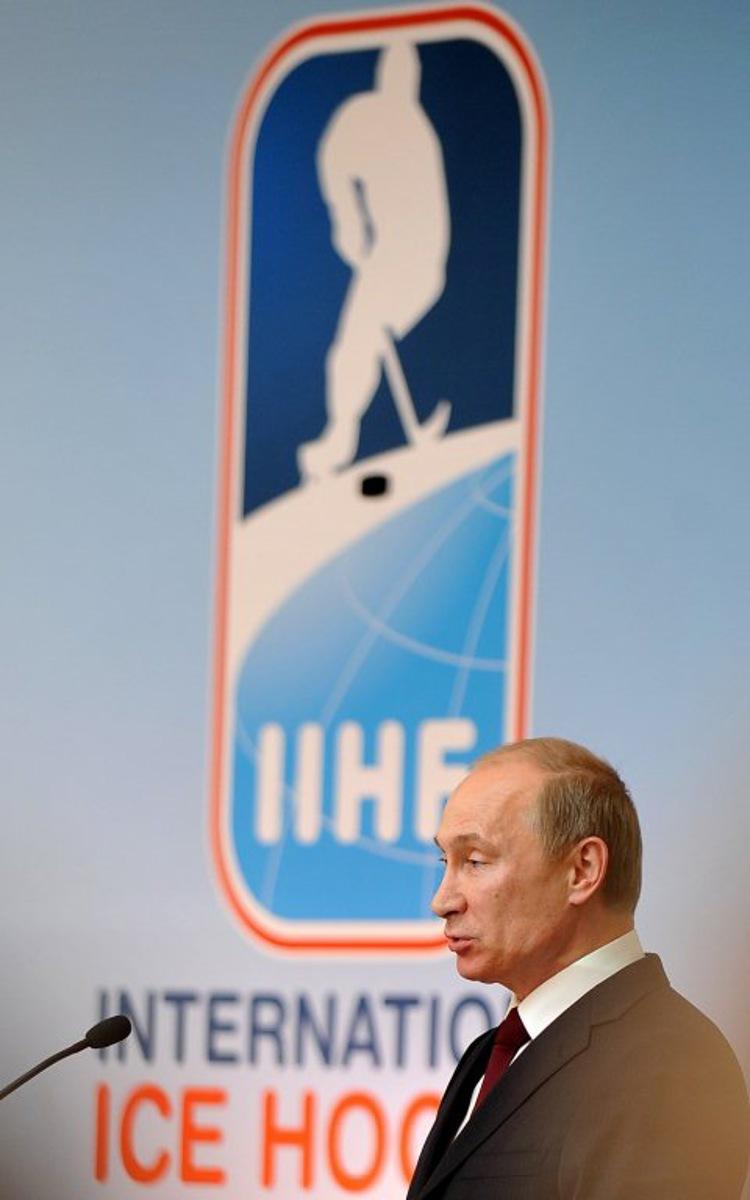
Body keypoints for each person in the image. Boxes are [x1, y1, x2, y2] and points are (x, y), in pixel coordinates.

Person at [408, 737, 749, 1199]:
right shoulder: (489, 1053)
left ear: (583, 870)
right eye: (444, 861)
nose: (441, 900)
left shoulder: (670, 1068)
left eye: (474, 861)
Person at [298, 40, 450, 481]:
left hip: (412, 262)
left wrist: (362, 232)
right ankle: (341, 439)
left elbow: (429, 223)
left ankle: (342, 440)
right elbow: (335, 160)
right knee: (357, 346)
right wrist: (349, 219)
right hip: (390, 258)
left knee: (360, 343)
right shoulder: (367, 117)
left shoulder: (417, 133)